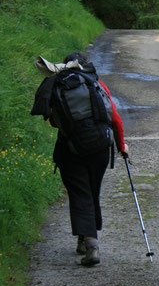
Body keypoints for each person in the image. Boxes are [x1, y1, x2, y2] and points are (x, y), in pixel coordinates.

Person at [34, 52, 129, 266]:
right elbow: (114, 118)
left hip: (72, 148)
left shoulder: (58, 85)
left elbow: (54, 123)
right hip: (100, 148)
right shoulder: (96, 85)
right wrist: (122, 145)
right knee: (91, 191)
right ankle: (85, 239)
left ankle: (91, 244)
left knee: (80, 194)